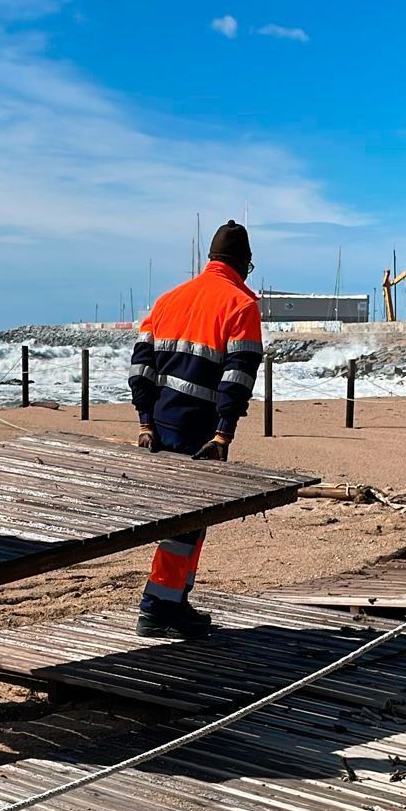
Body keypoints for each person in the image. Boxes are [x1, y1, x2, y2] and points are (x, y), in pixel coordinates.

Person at [128, 220, 264, 638]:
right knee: (186, 524)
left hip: (161, 426)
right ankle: (157, 605)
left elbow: (140, 368)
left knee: (183, 522)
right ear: (244, 264)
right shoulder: (241, 305)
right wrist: (223, 434)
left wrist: (146, 422)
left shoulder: (169, 300)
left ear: (210, 259)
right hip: (200, 431)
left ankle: (175, 600)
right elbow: (237, 378)